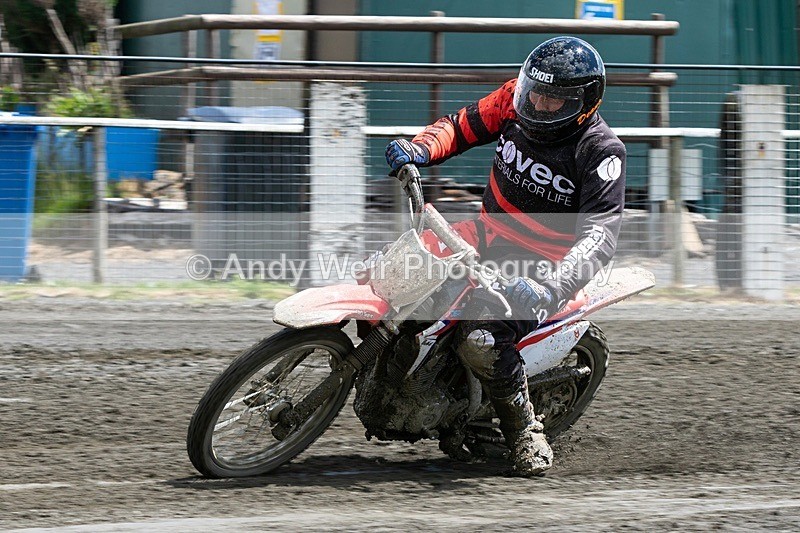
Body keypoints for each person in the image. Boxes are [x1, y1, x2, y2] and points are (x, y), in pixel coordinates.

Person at [384, 36, 626, 476]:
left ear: (585, 103)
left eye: (553, 99)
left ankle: (523, 433)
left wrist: (548, 286)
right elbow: (460, 126)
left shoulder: (600, 151)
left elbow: (601, 233)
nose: (537, 104)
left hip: (543, 262)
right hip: (486, 232)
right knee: (397, 273)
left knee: (481, 338)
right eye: (533, 91)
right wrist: (419, 148)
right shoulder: (514, 99)